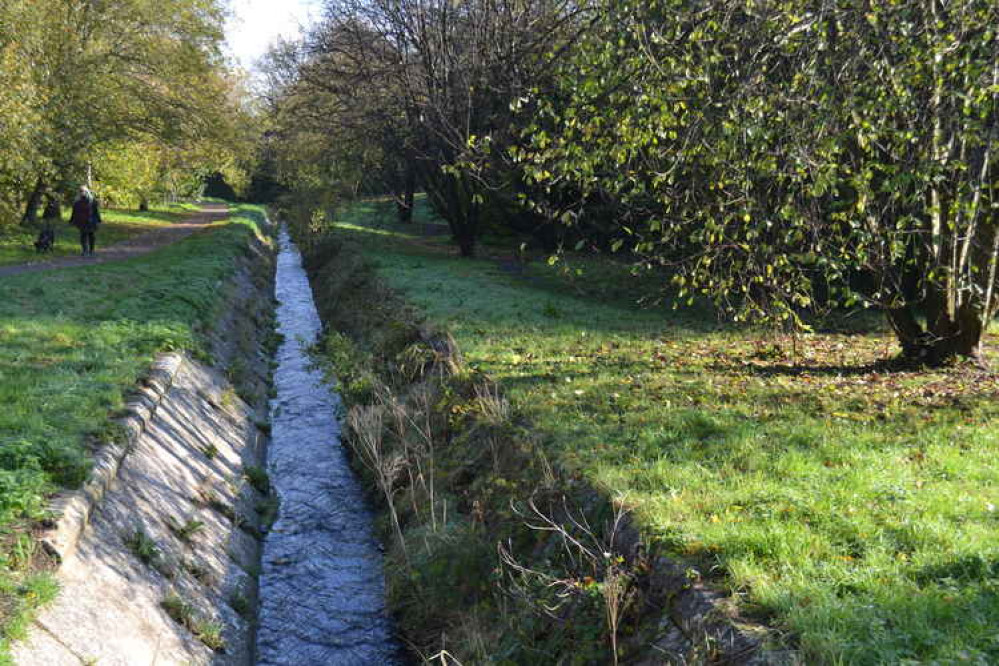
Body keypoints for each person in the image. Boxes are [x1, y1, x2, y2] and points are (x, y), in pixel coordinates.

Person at [69, 185, 101, 256]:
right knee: (83, 235)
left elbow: (96, 211)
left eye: (83, 191)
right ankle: (85, 250)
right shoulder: (77, 202)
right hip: (82, 221)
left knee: (91, 235)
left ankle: (91, 250)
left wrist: (98, 220)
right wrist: (71, 220)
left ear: (87, 191)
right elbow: (74, 212)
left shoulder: (92, 201)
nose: (82, 192)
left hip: (91, 221)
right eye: (80, 191)